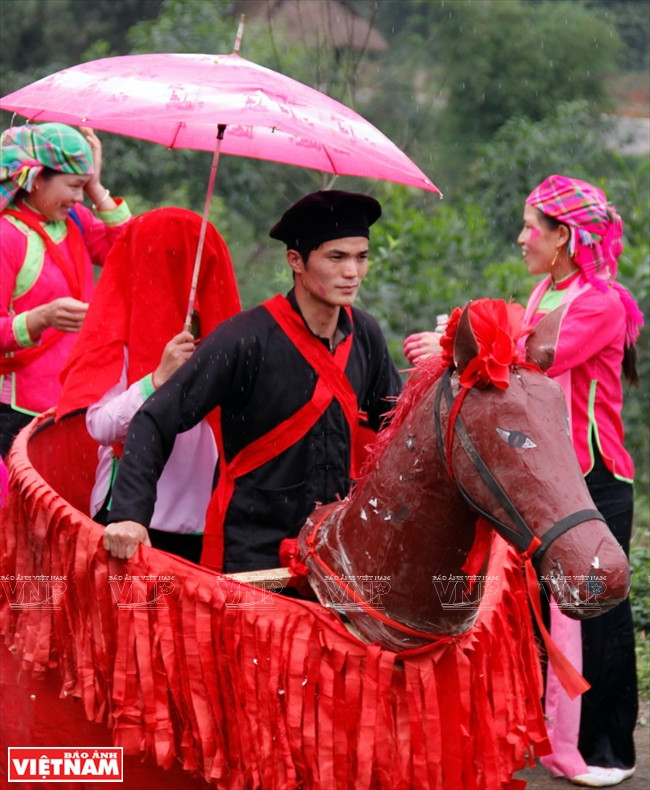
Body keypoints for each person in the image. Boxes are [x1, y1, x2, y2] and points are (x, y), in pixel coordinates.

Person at [102, 190, 403, 573]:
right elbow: (154, 419)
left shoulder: (366, 335)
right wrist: (129, 514)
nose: (353, 272)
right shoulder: (244, 338)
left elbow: (396, 426)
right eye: (336, 257)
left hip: (332, 554)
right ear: (296, 260)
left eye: (361, 257)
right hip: (253, 557)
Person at [517, 175, 643, 788]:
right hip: (559, 479)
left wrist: (458, 342)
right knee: (554, 606)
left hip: (597, 479)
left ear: (562, 236)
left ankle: (607, 749)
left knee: (598, 612)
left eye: (530, 228)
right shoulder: (548, 289)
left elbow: (535, 354)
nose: (522, 240)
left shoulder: (600, 300)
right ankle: (560, 737)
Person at [56, 207, 242, 563]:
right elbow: (100, 425)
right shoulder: (117, 332)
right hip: (127, 516)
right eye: (163, 258)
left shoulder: (224, 335)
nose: (171, 272)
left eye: (186, 260)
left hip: (201, 517)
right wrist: (156, 379)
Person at [0, 122, 132, 457]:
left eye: (82, 187)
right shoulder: (6, 236)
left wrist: (97, 188)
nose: (78, 197)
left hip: (75, 401)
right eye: (74, 186)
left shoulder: (76, 220)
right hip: (17, 413)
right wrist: (41, 318)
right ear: (34, 179)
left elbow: (129, 253)